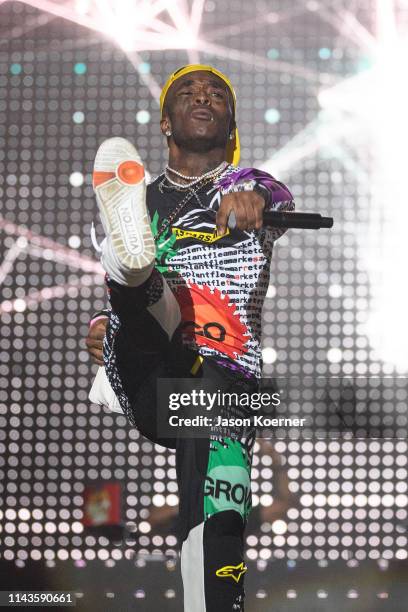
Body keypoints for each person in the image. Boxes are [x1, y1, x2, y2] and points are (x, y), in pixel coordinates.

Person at [86, 64, 294, 611]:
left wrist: (253, 195)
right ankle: (129, 277)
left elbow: (279, 195)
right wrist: (102, 328)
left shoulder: (249, 190)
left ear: (230, 125)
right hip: (153, 377)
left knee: (218, 521)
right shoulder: (133, 195)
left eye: (217, 96)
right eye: (189, 91)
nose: (203, 97)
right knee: (135, 295)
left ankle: (131, 279)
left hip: (223, 382)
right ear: (164, 123)